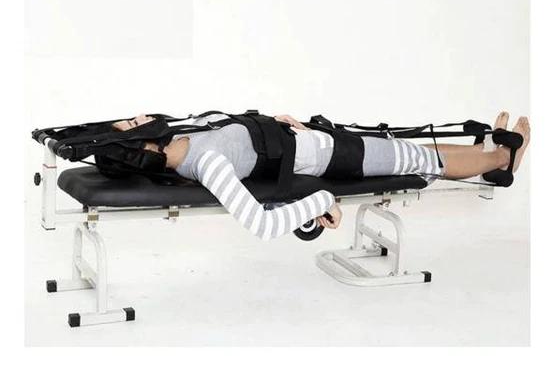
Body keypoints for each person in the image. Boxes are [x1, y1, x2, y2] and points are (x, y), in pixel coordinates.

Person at [110, 110, 530, 242]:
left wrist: (271, 125)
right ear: (144, 147)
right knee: (421, 159)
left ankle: (485, 154)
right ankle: (502, 160)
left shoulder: (185, 133)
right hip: (333, 160)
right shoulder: (206, 163)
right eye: (134, 124)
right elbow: (261, 225)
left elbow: (238, 131)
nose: (141, 116)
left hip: (313, 141)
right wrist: (322, 201)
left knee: (412, 152)